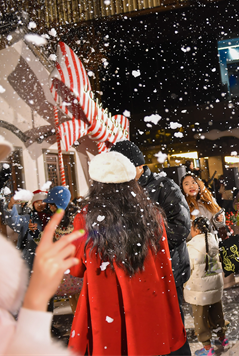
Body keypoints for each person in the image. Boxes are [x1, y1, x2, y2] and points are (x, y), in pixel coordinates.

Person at [68, 151, 187, 355]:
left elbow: (76, 268)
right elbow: (163, 265)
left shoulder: (86, 218)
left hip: (105, 305)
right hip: (147, 300)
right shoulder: (152, 214)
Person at [0, 134, 82, 355]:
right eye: (41, 201)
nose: (43, 205)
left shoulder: (67, 216)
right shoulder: (31, 218)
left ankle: (78, 326)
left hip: (58, 269)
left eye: (46, 202)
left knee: (69, 299)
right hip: (36, 264)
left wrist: (34, 305)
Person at [110, 140, 192, 336]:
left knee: (169, 327)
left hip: (167, 269)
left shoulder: (164, 187)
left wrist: (146, 246)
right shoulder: (119, 190)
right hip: (135, 271)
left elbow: (181, 227)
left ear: (139, 166)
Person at [184, 217, 229, 356]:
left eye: (192, 228)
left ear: (196, 230)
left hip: (199, 289)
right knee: (217, 313)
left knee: (200, 318)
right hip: (215, 286)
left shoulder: (191, 246)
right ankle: (222, 338)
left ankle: (207, 347)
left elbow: (188, 268)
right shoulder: (213, 240)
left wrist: (184, 283)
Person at [3, 189, 50, 268]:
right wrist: (10, 205)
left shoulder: (53, 218)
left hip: (49, 260)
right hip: (30, 260)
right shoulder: (28, 218)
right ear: (33, 204)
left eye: (42, 201)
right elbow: (15, 222)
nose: (40, 204)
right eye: (37, 202)